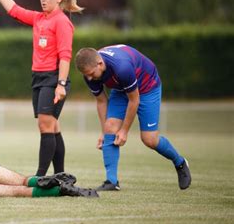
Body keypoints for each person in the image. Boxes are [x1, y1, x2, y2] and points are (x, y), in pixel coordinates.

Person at [0, 0, 82, 176]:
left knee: (46, 125)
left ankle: (40, 177)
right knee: (52, 126)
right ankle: (61, 176)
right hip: (38, 78)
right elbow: (14, 10)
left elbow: (65, 56)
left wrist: (61, 84)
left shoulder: (62, 22)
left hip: (53, 78)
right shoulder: (39, 19)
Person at [74, 45, 192, 191]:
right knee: (109, 127)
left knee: (149, 139)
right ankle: (112, 181)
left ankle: (180, 162)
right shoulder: (90, 73)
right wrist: (104, 132)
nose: (90, 78)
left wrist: (124, 131)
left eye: (91, 73)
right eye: (87, 75)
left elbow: (134, 100)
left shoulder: (121, 68)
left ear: (100, 63)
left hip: (148, 87)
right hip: (121, 89)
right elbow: (101, 101)